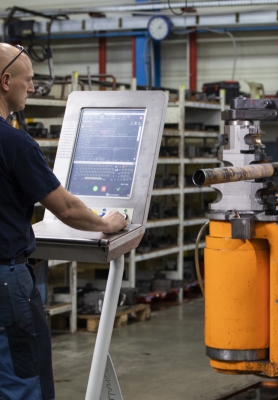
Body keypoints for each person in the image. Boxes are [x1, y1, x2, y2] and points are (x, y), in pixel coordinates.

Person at [0, 43, 128, 400]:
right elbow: (67, 209)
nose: (32, 87)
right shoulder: (15, 144)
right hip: (6, 281)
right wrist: (106, 224)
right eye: (28, 79)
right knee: (24, 381)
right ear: (5, 81)